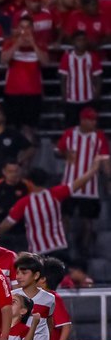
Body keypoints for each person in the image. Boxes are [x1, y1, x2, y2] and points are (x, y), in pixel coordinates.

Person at [1, 159, 110, 263]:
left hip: (38, 253)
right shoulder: (55, 194)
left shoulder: (24, 203)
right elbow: (78, 183)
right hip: (59, 248)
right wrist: (93, 169)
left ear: (29, 182)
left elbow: (6, 224)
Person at [56, 107, 109, 261]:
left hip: (90, 189)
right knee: (65, 216)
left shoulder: (99, 136)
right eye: (90, 119)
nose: (93, 122)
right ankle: (64, 247)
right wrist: (65, 154)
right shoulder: (70, 133)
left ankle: (84, 250)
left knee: (88, 221)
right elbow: (59, 150)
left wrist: (109, 179)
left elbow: (105, 159)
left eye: (94, 119)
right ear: (82, 120)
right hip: (69, 184)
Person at [1, 16, 48, 140]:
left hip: (33, 93)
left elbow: (45, 62)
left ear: (33, 29)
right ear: (17, 29)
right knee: (11, 128)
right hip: (12, 92)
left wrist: (33, 44)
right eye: (22, 27)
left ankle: (26, 158)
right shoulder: (9, 42)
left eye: (28, 27)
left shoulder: (40, 43)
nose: (25, 30)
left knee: (29, 129)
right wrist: (17, 44)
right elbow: (3, 60)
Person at [58, 33, 103, 127]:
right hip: (71, 100)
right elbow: (63, 78)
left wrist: (96, 94)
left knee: (90, 127)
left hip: (88, 99)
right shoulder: (67, 57)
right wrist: (64, 96)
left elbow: (98, 77)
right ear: (74, 42)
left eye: (83, 40)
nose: (81, 42)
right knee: (71, 127)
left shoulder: (92, 57)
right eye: (79, 40)